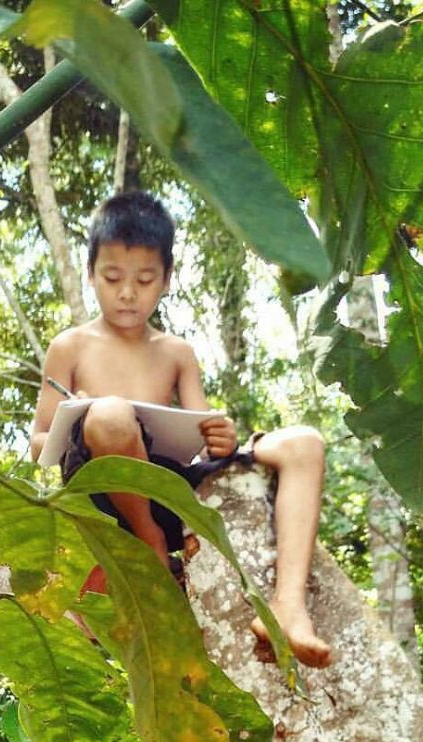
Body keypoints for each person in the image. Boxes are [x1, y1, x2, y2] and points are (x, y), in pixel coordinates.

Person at [30, 190, 331, 668]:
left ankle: (288, 608)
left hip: (169, 489)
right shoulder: (70, 347)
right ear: (91, 276)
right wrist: (79, 420)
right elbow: (38, 447)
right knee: (109, 415)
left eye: (144, 280)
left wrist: (222, 438)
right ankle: (151, 547)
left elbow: (199, 438)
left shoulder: (176, 352)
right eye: (112, 278)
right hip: (104, 497)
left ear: (166, 281)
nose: (127, 292)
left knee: (304, 444)